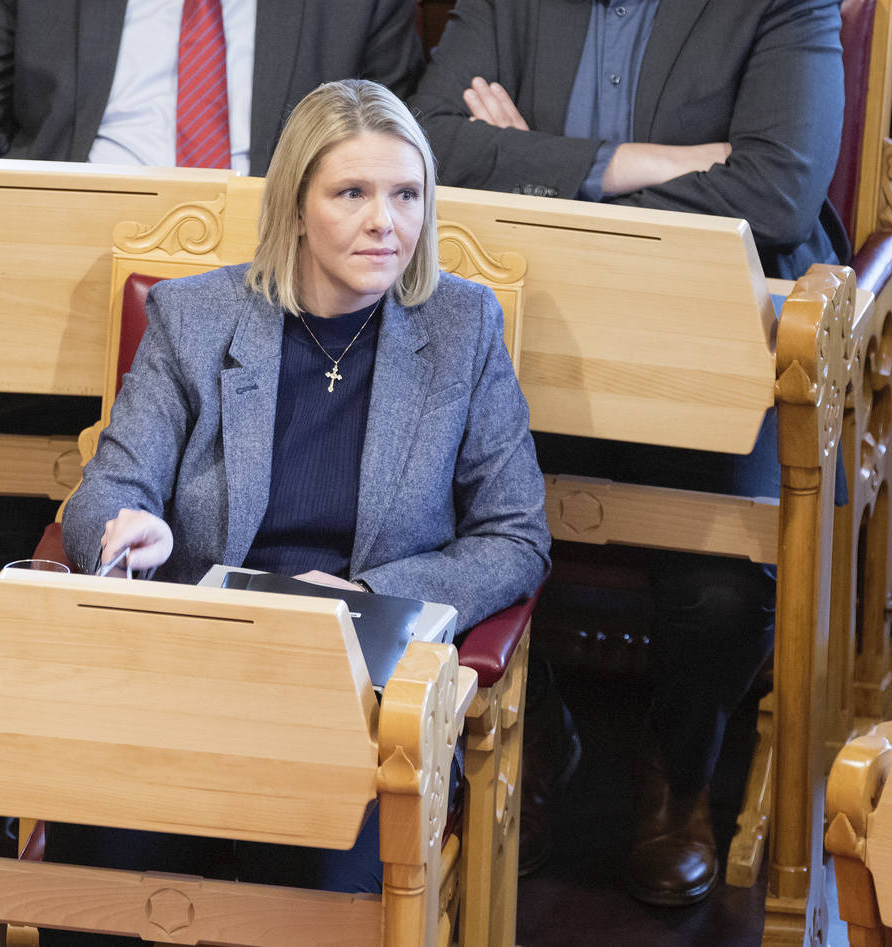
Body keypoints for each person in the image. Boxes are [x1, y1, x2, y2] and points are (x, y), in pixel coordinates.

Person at [46, 78, 550, 945]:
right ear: (297, 204)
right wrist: (128, 528)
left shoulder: (463, 328)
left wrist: (360, 595)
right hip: (195, 674)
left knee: (324, 872)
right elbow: (112, 484)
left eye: (405, 194)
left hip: (358, 700)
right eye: (351, 193)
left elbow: (515, 536)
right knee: (104, 860)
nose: (384, 221)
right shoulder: (197, 317)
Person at [410, 0, 846, 906]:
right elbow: (433, 150)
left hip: (710, 342)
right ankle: (530, 739)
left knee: (722, 587)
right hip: (534, 334)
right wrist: (648, 166)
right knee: (421, 498)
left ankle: (679, 770)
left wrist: (544, 165)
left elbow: (776, 194)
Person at [0, 0, 425, 602]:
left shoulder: (456, 316)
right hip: (53, 324)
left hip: (296, 298)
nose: (384, 215)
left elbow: (394, 141)